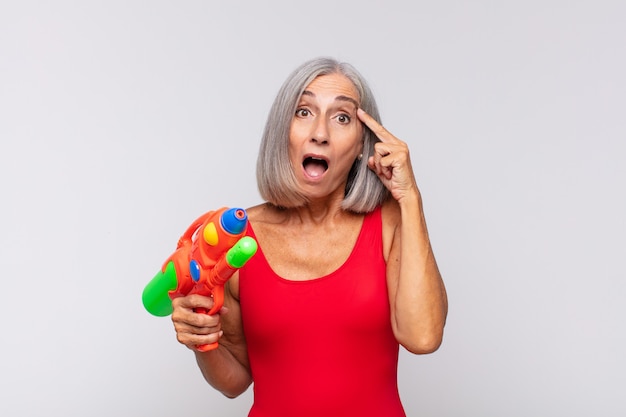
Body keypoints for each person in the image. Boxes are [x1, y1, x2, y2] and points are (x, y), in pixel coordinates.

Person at [171, 57, 448, 417]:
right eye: (303, 111)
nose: (320, 132)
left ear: (364, 145)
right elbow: (235, 381)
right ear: (282, 130)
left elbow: (423, 338)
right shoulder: (238, 240)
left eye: (342, 117)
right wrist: (202, 341)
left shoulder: (390, 223)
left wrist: (410, 198)